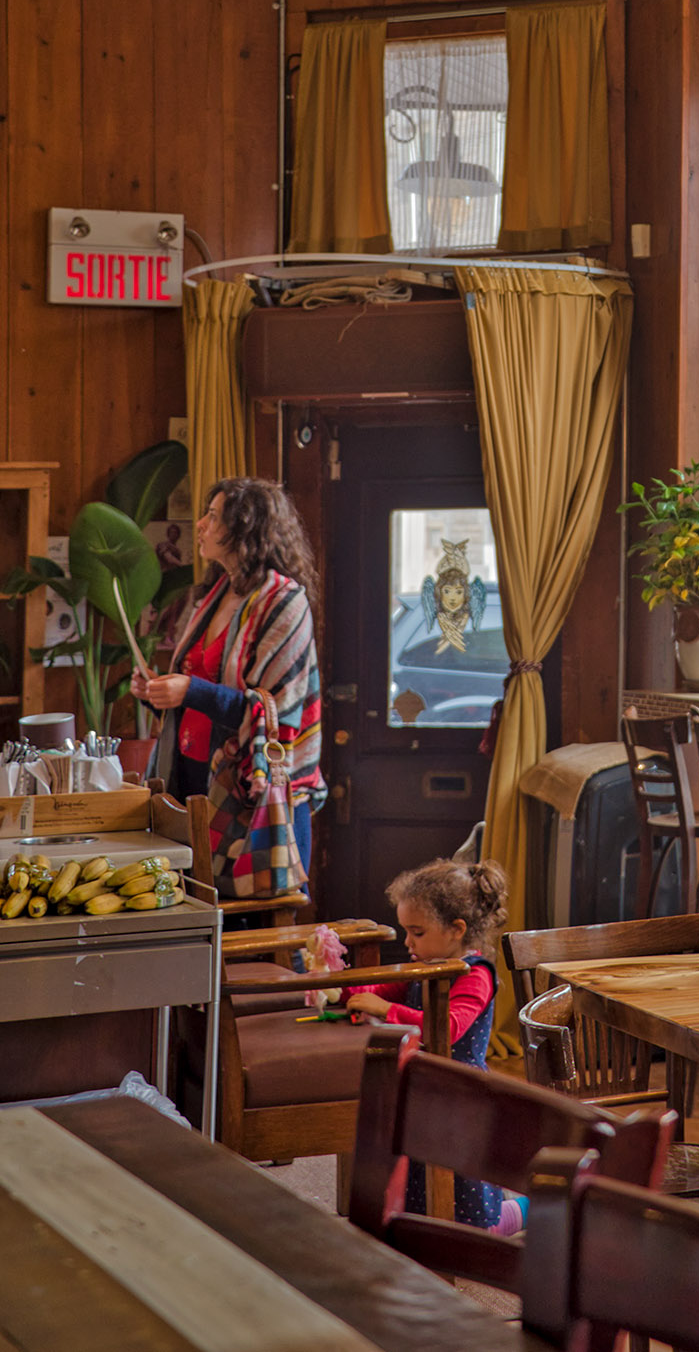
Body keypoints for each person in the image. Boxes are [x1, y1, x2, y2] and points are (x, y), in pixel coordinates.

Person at [137, 478, 325, 883]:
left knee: (256, 910)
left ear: (245, 529)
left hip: (252, 792)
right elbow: (198, 689)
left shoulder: (284, 601)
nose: (200, 525)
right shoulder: (214, 593)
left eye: (213, 516)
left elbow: (274, 712)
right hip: (192, 777)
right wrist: (156, 692)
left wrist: (189, 690)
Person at [345, 856, 517, 1231]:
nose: (407, 942)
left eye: (417, 932)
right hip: (422, 1087)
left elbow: (449, 1027)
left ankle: (523, 1212)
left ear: (456, 929)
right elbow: (376, 990)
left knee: (470, 1207)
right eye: (406, 931)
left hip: (461, 1095)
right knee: (420, 1184)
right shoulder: (423, 966)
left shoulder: (475, 974)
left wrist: (386, 1010)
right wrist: (338, 986)